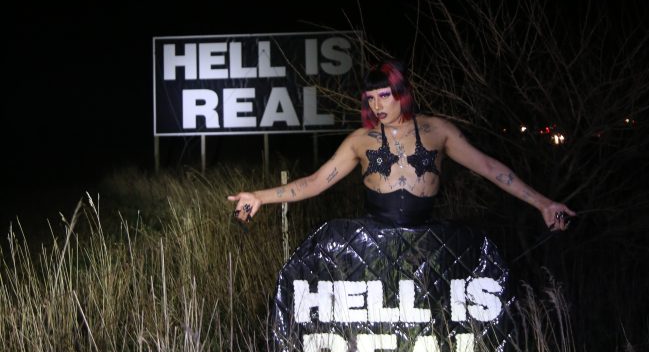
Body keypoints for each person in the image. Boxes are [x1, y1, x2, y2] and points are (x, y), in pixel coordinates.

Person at [229, 58, 576, 231]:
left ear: (401, 94)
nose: (378, 105)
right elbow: (315, 182)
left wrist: (543, 203)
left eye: (385, 95)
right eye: (371, 98)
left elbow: (489, 168)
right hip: (373, 240)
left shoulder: (437, 131)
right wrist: (259, 196)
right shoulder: (359, 140)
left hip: (428, 240)